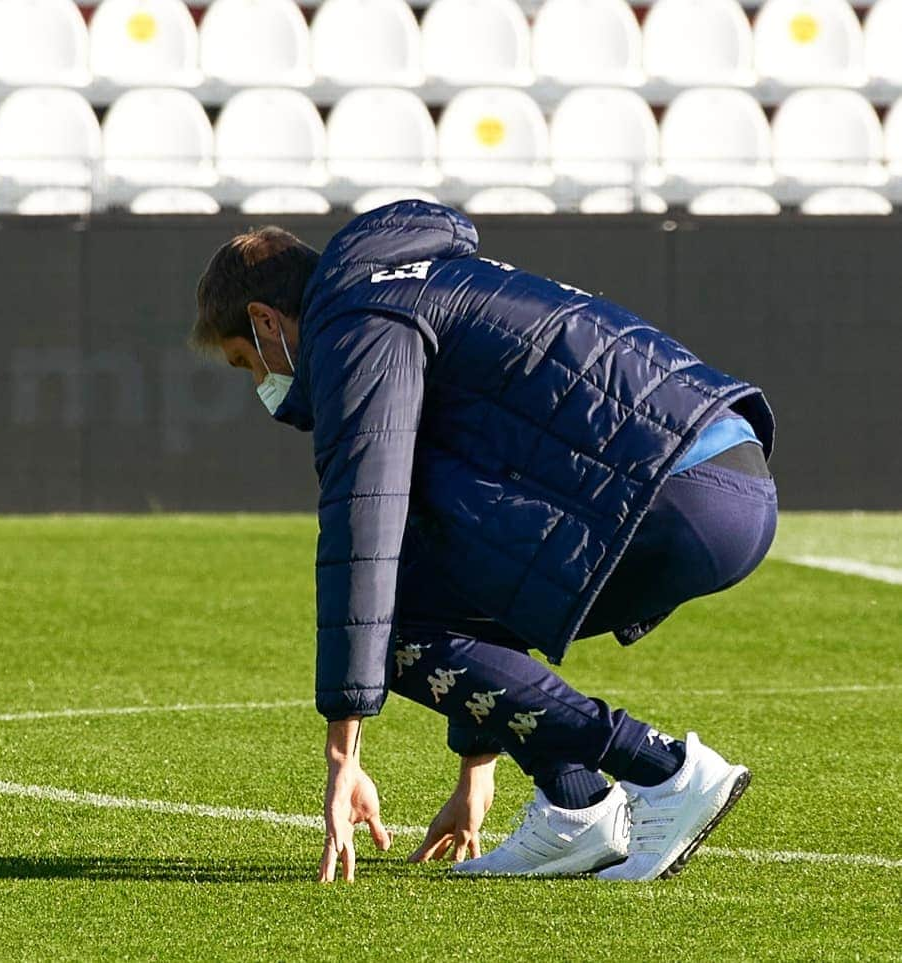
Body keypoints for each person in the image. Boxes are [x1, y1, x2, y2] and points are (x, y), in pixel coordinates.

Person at [190, 201, 777, 884]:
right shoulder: (412, 281)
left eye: (245, 363)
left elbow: (364, 522)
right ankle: (575, 806)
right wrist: (476, 767)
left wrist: (341, 754)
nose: (262, 385)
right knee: (431, 587)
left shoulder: (356, 323)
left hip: (675, 494)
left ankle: (666, 770)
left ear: (264, 320)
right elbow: (470, 562)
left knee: (391, 624)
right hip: (725, 472)